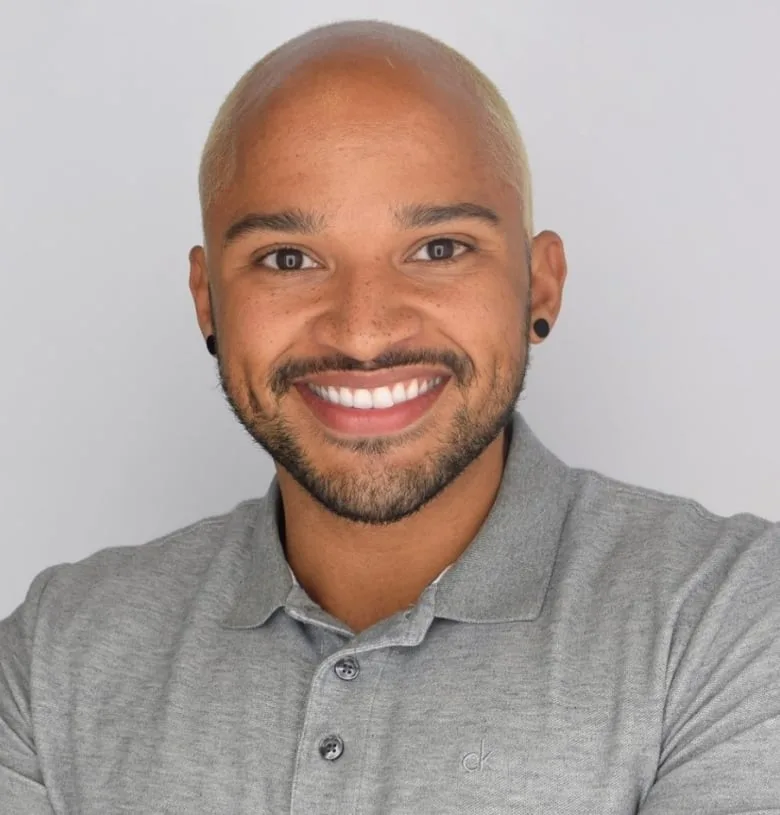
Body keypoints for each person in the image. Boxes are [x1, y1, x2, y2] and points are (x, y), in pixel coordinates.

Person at [1, 19, 778, 815]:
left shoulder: (724, 618)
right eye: (287, 259)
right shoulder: (58, 652)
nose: (363, 331)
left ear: (540, 285)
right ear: (209, 302)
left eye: (439, 248)